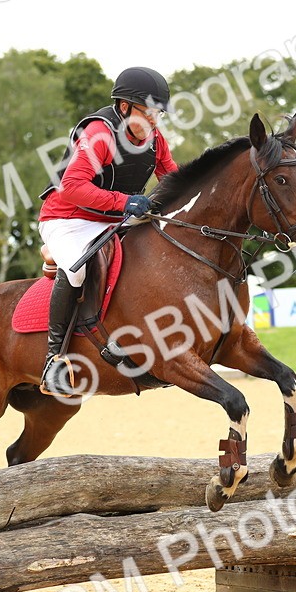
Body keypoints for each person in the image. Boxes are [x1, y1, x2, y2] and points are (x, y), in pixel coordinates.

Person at [36, 66, 179, 396]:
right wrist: (126, 202)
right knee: (77, 269)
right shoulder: (99, 134)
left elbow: (174, 180)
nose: (156, 121)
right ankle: (53, 360)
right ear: (125, 107)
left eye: (160, 113)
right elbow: (71, 186)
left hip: (111, 219)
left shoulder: (155, 139)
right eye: (150, 112)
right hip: (67, 218)